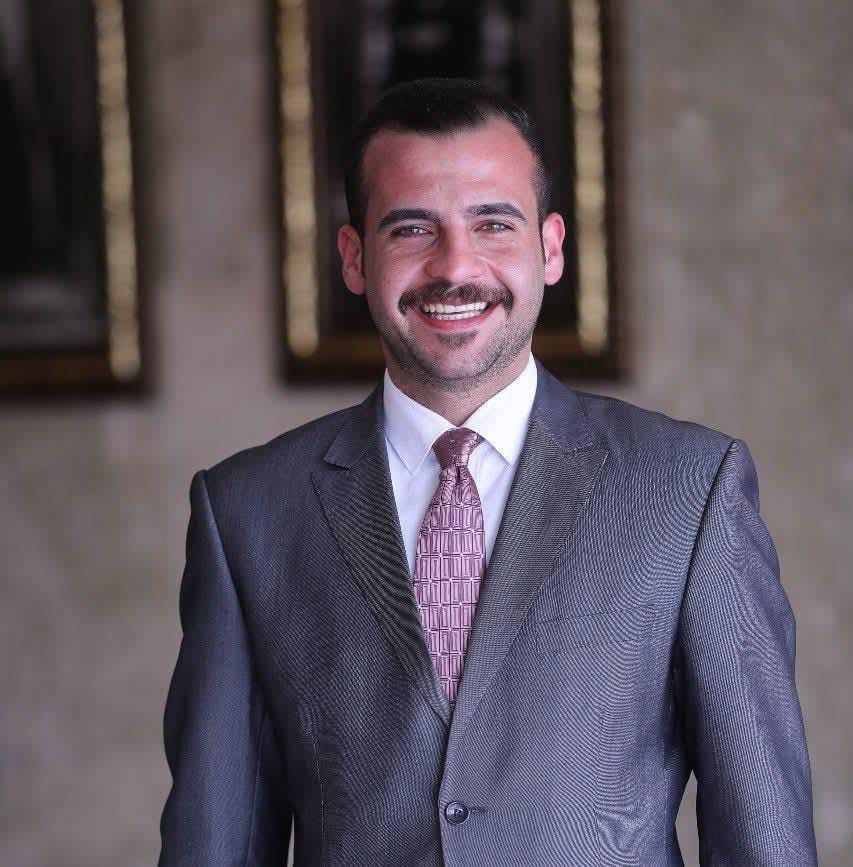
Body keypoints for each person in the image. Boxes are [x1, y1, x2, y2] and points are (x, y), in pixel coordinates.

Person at [157, 77, 818, 865]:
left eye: (492, 223)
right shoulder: (248, 512)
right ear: (354, 257)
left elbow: (763, 837)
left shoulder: (689, 488)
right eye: (411, 228)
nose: (454, 266)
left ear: (550, 248)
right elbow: (215, 842)